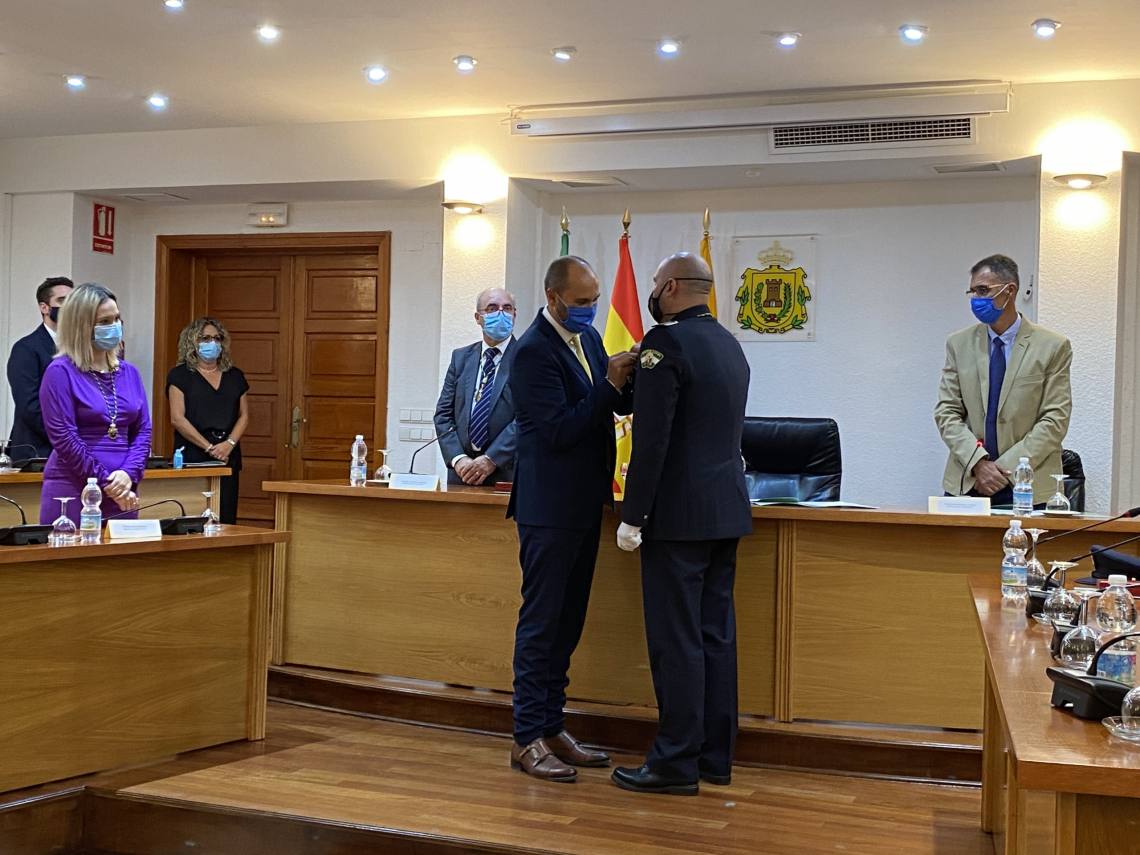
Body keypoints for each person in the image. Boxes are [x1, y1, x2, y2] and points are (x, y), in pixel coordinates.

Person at [611, 252, 752, 796]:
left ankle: (674, 761)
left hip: (675, 519)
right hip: (723, 511)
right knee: (716, 637)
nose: (651, 292)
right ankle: (714, 757)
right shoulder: (729, 343)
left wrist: (633, 516)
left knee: (676, 642)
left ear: (670, 288)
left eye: (654, 284)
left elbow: (652, 441)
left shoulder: (664, 345)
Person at [506, 255, 637, 783]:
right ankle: (526, 737)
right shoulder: (532, 352)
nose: (590, 309)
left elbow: (605, 407)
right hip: (548, 509)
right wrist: (609, 385)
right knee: (542, 623)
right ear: (553, 297)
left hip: (583, 505)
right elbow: (559, 430)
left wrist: (631, 376)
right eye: (581, 302)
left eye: (595, 300)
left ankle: (552, 724)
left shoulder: (588, 339)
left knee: (569, 622)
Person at [935, 254, 1072, 506]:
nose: (976, 299)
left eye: (983, 290)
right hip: (969, 479)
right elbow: (947, 412)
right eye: (972, 292)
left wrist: (1003, 469)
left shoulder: (1052, 346)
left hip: (1027, 483)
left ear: (1010, 291)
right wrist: (978, 463)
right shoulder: (958, 344)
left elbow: (1055, 419)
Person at [38, 283, 148, 524]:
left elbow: (143, 431)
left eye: (117, 319)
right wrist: (106, 482)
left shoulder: (130, 372)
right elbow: (64, 438)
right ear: (81, 326)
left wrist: (128, 474)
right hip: (73, 487)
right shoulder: (60, 372)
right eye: (105, 322)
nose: (115, 326)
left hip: (123, 488)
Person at [167, 317, 249, 524]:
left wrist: (229, 444)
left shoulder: (235, 376)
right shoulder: (180, 376)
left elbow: (244, 415)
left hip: (227, 455)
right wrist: (210, 447)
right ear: (193, 342)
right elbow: (177, 419)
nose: (212, 343)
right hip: (193, 454)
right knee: (194, 517)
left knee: (226, 515)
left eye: (217, 338)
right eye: (205, 338)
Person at [433, 288, 517, 486]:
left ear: (514, 314)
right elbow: (443, 414)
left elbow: (528, 418)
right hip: (463, 475)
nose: (500, 314)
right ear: (478, 318)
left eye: (507, 308)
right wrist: (458, 459)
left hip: (508, 473)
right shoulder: (461, 358)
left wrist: (491, 459)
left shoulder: (528, 358)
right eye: (492, 308)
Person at [6, 276, 74, 459]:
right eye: (62, 301)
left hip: (76, 450)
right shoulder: (26, 348)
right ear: (44, 308)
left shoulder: (80, 349)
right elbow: (30, 407)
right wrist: (68, 439)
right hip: (38, 451)